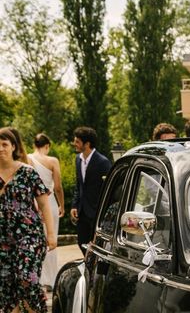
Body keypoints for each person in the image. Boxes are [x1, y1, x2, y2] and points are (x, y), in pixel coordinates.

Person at [0, 127, 57, 313]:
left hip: (29, 236)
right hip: (2, 239)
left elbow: (44, 204)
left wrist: (51, 234)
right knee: (6, 285)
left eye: (4, 144)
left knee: (26, 277)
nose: (1, 148)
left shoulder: (27, 172)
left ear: (13, 146)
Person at [29, 133, 64, 291]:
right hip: (49, 202)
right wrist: (62, 205)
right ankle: (50, 280)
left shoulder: (27, 159)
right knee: (51, 240)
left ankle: (35, 279)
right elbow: (57, 187)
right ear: (47, 146)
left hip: (32, 203)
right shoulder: (52, 161)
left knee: (34, 241)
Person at [70, 126, 111, 254]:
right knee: (81, 243)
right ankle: (88, 268)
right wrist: (74, 205)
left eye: (77, 141)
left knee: (96, 248)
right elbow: (79, 185)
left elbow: (109, 189)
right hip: (82, 212)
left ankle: (92, 272)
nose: (74, 144)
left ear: (87, 144)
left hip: (96, 212)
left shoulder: (103, 162)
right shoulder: (78, 159)